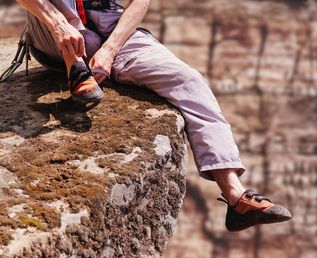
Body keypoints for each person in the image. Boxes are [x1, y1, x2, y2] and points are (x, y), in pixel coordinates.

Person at [16, 0, 292, 231]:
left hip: (112, 31)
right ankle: (76, 69)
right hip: (51, 29)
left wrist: (110, 50)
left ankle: (235, 196)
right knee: (72, 26)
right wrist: (59, 24)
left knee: (189, 79)